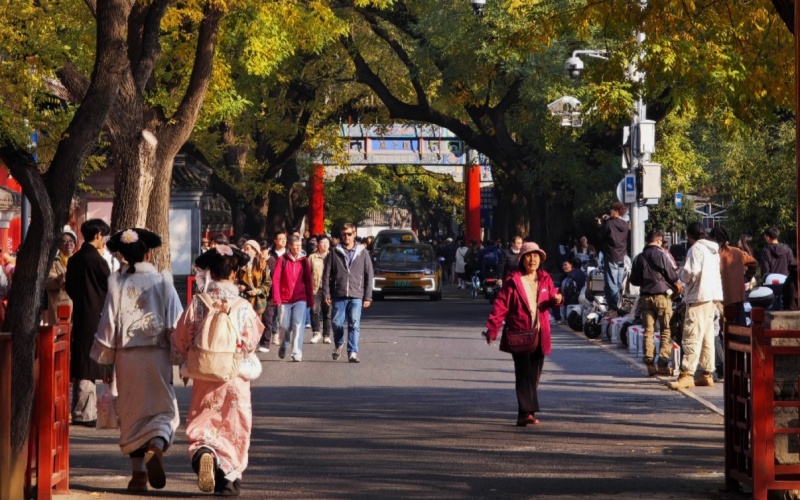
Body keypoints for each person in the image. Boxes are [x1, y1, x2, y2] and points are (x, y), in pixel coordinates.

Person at [90, 228, 183, 492]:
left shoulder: (118, 283)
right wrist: (182, 357)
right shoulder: (162, 281)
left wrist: (105, 360)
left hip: (126, 358)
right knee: (164, 411)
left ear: (124, 256)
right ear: (148, 252)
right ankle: (157, 445)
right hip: (156, 355)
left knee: (132, 414)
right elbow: (177, 323)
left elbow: (108, 323)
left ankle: (138, 475)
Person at [171, 245, 264, 496]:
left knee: (204, 420)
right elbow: (252, 339)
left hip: (204, 373)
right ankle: (229, 481)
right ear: (234, 274)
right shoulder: (242, 305)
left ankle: (204, 452)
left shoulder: (199, 303)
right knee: (235, 424)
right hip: (233, 374)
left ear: (210, 272)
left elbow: (182, 338)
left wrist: (183, 359)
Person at [483, 242, 563, 426]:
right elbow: (501, 305)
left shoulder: (545, 278)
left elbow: (553, 299)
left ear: (540, 259)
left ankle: (525, 414)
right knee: (523, 373)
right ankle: (527, 412)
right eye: (528, 256)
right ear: (522, 259)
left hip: (540, 333)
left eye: (536, 256)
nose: (532, 259)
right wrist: (492, 329)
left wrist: (558, 299)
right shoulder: (513, 280)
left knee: (533, 375)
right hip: (519, 333)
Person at [65, 218, 112, 427]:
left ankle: (82, 410)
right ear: (99, 235)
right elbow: (110, 289)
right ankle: (85, 413)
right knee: (89, 364)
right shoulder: (99, 262)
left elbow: (70, 288)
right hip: (99, 315)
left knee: (82, 361)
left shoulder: (75, 260)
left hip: (82, 314)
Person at [669, 222, 723, 390]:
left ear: (691, 237)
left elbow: (690, 272)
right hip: (713, 297)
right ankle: (707, 373)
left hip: (698, 295)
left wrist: (680, 274)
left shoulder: (696, 249)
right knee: (708, 336)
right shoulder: (714, 249)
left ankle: (687, 374)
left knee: (691, 334)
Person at [630, 230, 681, 377]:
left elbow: (634, 280)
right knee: (666, 329)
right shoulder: (662, 255)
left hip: (645, 297)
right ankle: (663, 364)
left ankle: (649, 362)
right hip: (662, 297)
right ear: (659, 241)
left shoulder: (639, 258)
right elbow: (673, 276)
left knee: (648, 331)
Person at [710, 226, 757, 379]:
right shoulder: (737, 252)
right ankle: (740, 368)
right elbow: (754, 263)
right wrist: (747, 278)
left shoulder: (713, 254)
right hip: (737, 298)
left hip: (718, 300)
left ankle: (721, 366)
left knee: (717, 334)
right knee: (738, 333)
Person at [322, 223, 374, 363]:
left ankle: (353, 352)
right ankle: (339, 343)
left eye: (349, 234)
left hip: (357, 294)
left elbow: (369, 274)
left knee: (354, 323)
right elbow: (326, 274)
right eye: (344, 234)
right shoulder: (334, 251)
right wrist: (326, 293)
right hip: (338, 293)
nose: (347, 237)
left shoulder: (363, 252)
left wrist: (368, 296)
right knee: (336, 323)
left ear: (355, 234)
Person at [272, 235, 314, 362]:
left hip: (300, 298)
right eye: (295, 246)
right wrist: (277, 298)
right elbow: (276, 280)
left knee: (298, 325)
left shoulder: (304, 260)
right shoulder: (282, 260)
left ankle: (296, 352)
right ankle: (284, 344)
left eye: (299, 246)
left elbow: (308, 280)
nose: (297, 248)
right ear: (289, 246)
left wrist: (310, 299)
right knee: (284, 326)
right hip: (285, 299)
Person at [597, 201, 630, 314]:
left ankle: (615, 306)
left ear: (615, 211)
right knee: (618, 283)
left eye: (611, 210)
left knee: (611, 282)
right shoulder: (625, 224)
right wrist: (608, 219)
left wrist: (601, 223)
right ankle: (617, 304)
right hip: (622, 256)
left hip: (611, 256)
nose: (610, 211)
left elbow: (602, 235)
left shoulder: (609, 224)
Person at [44, 226, 77, 325]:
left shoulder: (78, 260)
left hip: (77, 305)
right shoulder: (53, 262)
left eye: (71, 241)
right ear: (59, 245)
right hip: (59, 305)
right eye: (64, 241)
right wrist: (59, 279)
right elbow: (48, 282)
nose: (68, 244)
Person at [264, 232, 287, 348]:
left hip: (286, 286)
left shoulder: (289, 254)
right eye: (280, 239)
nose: (283, 241)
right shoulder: (270, 254)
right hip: (272, 286)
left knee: (283, 312)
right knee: (274, 311)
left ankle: (281, 332)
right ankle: (275, 332)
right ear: (275, 240)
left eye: (284, 239)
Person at [237, 240, 270, 320]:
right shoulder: (240, 265)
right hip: (243, 299)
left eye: (247, 249)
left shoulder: (263, 265)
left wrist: (258, 291)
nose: (245, 251)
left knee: (256, 328)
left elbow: (267, 283)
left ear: (255, 251)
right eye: (244, 249)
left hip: (257, 301)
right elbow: (235, 279)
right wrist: (239, 286)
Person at [308, 235, 332, 344]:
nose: (325, 244)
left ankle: (326, 335)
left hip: (329, 289)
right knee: (314, 310)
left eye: (327, 242)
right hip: (315, 288)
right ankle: (316, 332)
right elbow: (307, 273)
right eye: (322, 242)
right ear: (318, 244)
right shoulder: (312, 257)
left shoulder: (333, 256)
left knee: (328, 312)